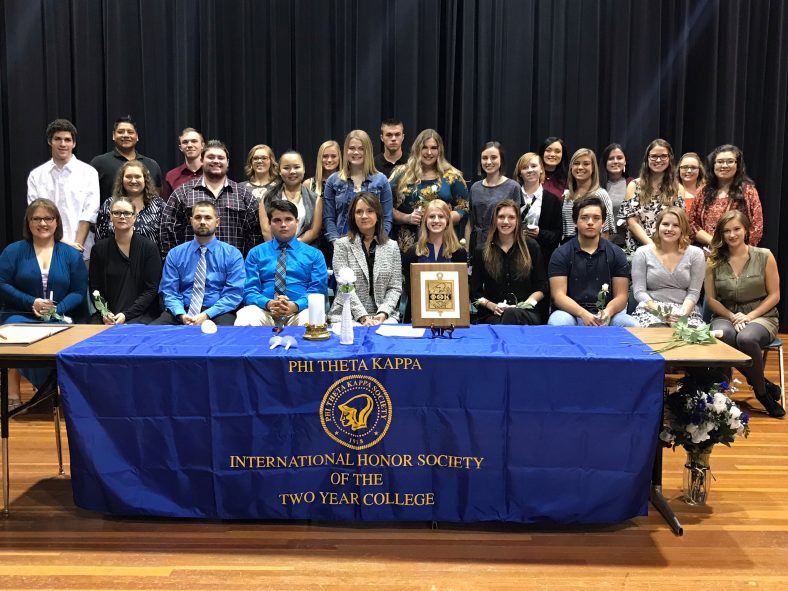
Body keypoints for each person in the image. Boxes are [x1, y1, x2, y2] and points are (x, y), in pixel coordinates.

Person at [0, 199, 87, 410]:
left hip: (59, 315)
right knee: (15, 335)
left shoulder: (70, 255)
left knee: (63, 334)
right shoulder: (13, 251)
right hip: (20, 314)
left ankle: (54, 393)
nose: (43, 223)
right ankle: (13, 394)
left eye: (48, 218)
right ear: (28, 223)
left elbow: (78, 290)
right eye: (36, 218)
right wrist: (31, 302)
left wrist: (58, 309)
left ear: (57, 222)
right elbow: (2, 283)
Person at [704, 210, 782, 418]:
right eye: (726, 231)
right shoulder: (713, 260)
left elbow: (774, 295)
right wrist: (731, 316)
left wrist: (750, 316)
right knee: (724, 335)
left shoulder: (764, 255)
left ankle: (761, 393)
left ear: (746, 230)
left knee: (746, 338)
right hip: (726, 313)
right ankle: (761, 381)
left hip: (761, 315)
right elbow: (711, 300)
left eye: (737, 229)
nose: (732, 235)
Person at [235, 200, 328, 327]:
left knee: (313, 319)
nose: (283, 224)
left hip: (299, 311)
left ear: (297, 221)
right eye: (277, 220)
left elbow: (317, 291)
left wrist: (295, 305)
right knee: (246, 317)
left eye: (288, 219)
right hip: (264, 310)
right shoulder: (256, 253)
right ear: (269, 223)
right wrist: (268, 303)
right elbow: (249, 291)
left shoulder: (314, 255)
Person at [548, 195, 636, 327]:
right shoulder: (561, 253)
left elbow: (622, 296)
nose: (590, 222)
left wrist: (608, 311)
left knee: (630, 324)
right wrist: (583, 314)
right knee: (558, 322)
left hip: (606, 314)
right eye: (584, 217)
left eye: (596, 218)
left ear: (603, 222)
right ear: (575, 222)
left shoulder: (616, 253)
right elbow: (558, 296)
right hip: (572, 314)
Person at [152, 201, 244, 326]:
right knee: (152, 334)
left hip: (217, 312)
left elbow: (233, 294)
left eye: (207, 217)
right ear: (191, 221)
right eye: (197, 217)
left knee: (227, 338)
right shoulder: (175, 254)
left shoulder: (232, 254)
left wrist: (207, 314)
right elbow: (169, 291)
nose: (202, 222)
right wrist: (181, 314)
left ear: (217, 222)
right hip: (181, 310)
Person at [160, 140, 259, 256]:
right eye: (211, 157)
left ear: (227, 162)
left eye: (221, 158)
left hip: (232, 269)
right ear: (202, 160)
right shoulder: (182, 193)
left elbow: (255, 235)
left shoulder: (244, 195)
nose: (216, 161)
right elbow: (168, 231)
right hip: (191, 269)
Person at [27, 118, 100, 261]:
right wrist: (61, 244)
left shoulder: (89, 173)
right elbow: (36, 214)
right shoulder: (36, 175)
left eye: (67, 140)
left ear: (74, 143)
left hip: (81, 252)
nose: (62, 144)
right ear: (50, 141)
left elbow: (90, 213)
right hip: (46, 250)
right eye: (57, 139)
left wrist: (76, 247)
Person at [328, 192, 401, 325]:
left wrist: (383, 313)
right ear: (353, 217)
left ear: (378, 215)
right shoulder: (341, 245)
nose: (364, 216)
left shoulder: (392, 246)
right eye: (359, 212)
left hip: (384, 315)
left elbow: (395, 288)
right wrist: (363, 316)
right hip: (347, 313)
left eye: (370, 211)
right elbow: (344, 286)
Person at [391, 129, 468, 253]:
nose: (429, 152)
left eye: (433, 148)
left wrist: (443, 219)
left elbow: (463, 207)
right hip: (407, 245)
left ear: (440, 150)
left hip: (444, 243)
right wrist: (407, 218)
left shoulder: (453, 176)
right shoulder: (400, 174)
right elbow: (385, 206)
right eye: (424, 147)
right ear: (417, 149)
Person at [471, 200, 546, 325]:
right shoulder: (481, 251)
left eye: (511, 217)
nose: (506, 221)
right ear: (494, 220)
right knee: (501, 320)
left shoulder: (531, 247)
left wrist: (526, 304)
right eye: (501, 217)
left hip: (526, 313)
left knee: (511, 315)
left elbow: (542, 286)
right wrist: (492, 306)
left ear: (517, 221)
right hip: (492, 314)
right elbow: (475, 292)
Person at [89, 196, 162, 325]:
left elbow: (151, 289)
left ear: (135, 217)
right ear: (110, 217)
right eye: (116, 213)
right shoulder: (98, 249)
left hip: (142, 313)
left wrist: (126, 315)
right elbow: (95, 288)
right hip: (108, 315)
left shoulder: (149, 248)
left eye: (127, 213)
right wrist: (104, 312)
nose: (121, 216)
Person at [631, 207, 705, 327]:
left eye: (676, 225)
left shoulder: (696, 254)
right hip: (651, 310)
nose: (669, 229)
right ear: (658, 226)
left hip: (685, 311)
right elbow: (639, 292)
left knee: (688, 339)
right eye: (665, 224)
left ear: (683, 229)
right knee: (660, 333)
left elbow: (693, 292)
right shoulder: (642, 253)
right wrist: (661, 313)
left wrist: (682, 315)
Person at [402, 199, 467, 323]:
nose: (436, 220)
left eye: (441, 216)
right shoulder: (412, 252)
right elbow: (410, 290)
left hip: (451, 318)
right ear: (425, 221)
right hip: (418, 315)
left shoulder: (459, 253)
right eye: (431, 216)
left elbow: (462, 292)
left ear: (448, 221)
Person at [323, 130, 393, 244]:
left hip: (373, 245)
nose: (356, 152)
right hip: (341, 243)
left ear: (368, 151)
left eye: (361, 148)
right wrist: (337, 243)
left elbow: (387, 218)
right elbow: (329, 218)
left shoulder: (382, 180)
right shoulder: (333, 181)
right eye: (351, 148)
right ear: (346, 151)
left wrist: (376, 242)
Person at [619, 139, 685, 257]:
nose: (658, 160)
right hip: (638, 251)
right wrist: (653, 247)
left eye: (663, 156)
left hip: (668, 251)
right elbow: (632, 222)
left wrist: (663, 250)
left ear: (670, 159)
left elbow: (679, 222)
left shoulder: (678, 189)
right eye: (654, 156)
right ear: (647, 159)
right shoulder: (634, 186)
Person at [690, 144, 764, 247]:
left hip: (738, 253)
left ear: (737, 165)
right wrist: (712, 241)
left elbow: (757, 227)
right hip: (706, 254)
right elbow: (692, 223)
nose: (724, 165)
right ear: (713, 165)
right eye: (720, 162)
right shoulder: (702, 191)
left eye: (730, 161)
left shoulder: (748, 192)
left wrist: (739, 250)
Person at [90, 114, 163, 202]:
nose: (125, 135)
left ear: (137, 136)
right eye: (120, 132)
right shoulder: (99, 163)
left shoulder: (152, 165)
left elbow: (157, 195)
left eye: (130, 132)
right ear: (113, 135)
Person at [95, 160, 165, 246]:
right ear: (122, 180)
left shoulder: (159, 205)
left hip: (149, 258)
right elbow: (100, 238)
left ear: (145, 179)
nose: (133, 181)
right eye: (128, 177)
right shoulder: (109, 204)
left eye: (137, 177)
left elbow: (165, 239)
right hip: (113, 258)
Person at [258, 151, 321, 244]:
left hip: (305, 252)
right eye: (286, 168)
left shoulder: (315, 199)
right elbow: (266, 231)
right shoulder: (267, 197)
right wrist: (279, 249)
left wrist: (293, 247)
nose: (292, 171)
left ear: (304, 169)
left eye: (297, 167)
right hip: (274, 253)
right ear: (279, 171)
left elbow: (314, 232)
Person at [467, 141, 521, 251]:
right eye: (485, 158)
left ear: (501, 160)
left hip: (502, 245)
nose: (489, 161)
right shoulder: (475, 188)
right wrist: (467, 250)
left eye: (494, 157)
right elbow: (470, 223)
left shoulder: (513, 187)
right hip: (478, 245)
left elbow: (518, 222)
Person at [513, 152, 562, 271]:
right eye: (525, 168)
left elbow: (557, 235)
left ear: (541, 169)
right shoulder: (512, 196)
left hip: (541, 259)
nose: (530, 170)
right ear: (520, 173)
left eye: (534, 166)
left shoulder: (553, 200)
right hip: (514, 255)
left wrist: (539, 233)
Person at [560, 149, 615, 241]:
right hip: (568, 247)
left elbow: (605, 232)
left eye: (586, 164)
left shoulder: (601, 194)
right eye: (576, 163)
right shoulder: (568, 196)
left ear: (593, 168)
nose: (580, 167)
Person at [599, 143, 633, 249]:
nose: (615, 161)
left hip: (624, 245)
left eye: (619, 158)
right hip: (598, 243)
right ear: (605, 162)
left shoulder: (632, 184)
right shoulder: (596, 185)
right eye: (611, 158)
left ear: (625, 161)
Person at [162, 128, 204, 199]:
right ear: (180, 147)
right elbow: (167, 207)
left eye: (194, 141)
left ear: (202, 145)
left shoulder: (212, 173)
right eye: (185, 142)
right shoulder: (171, 176)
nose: (189, 145)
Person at [540, 137, 568, 202]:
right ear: (542, 152)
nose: (552, 154)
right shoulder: (533, 177)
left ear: (562, 155)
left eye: (557, 151)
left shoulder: (568, 180)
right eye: (548, 150)